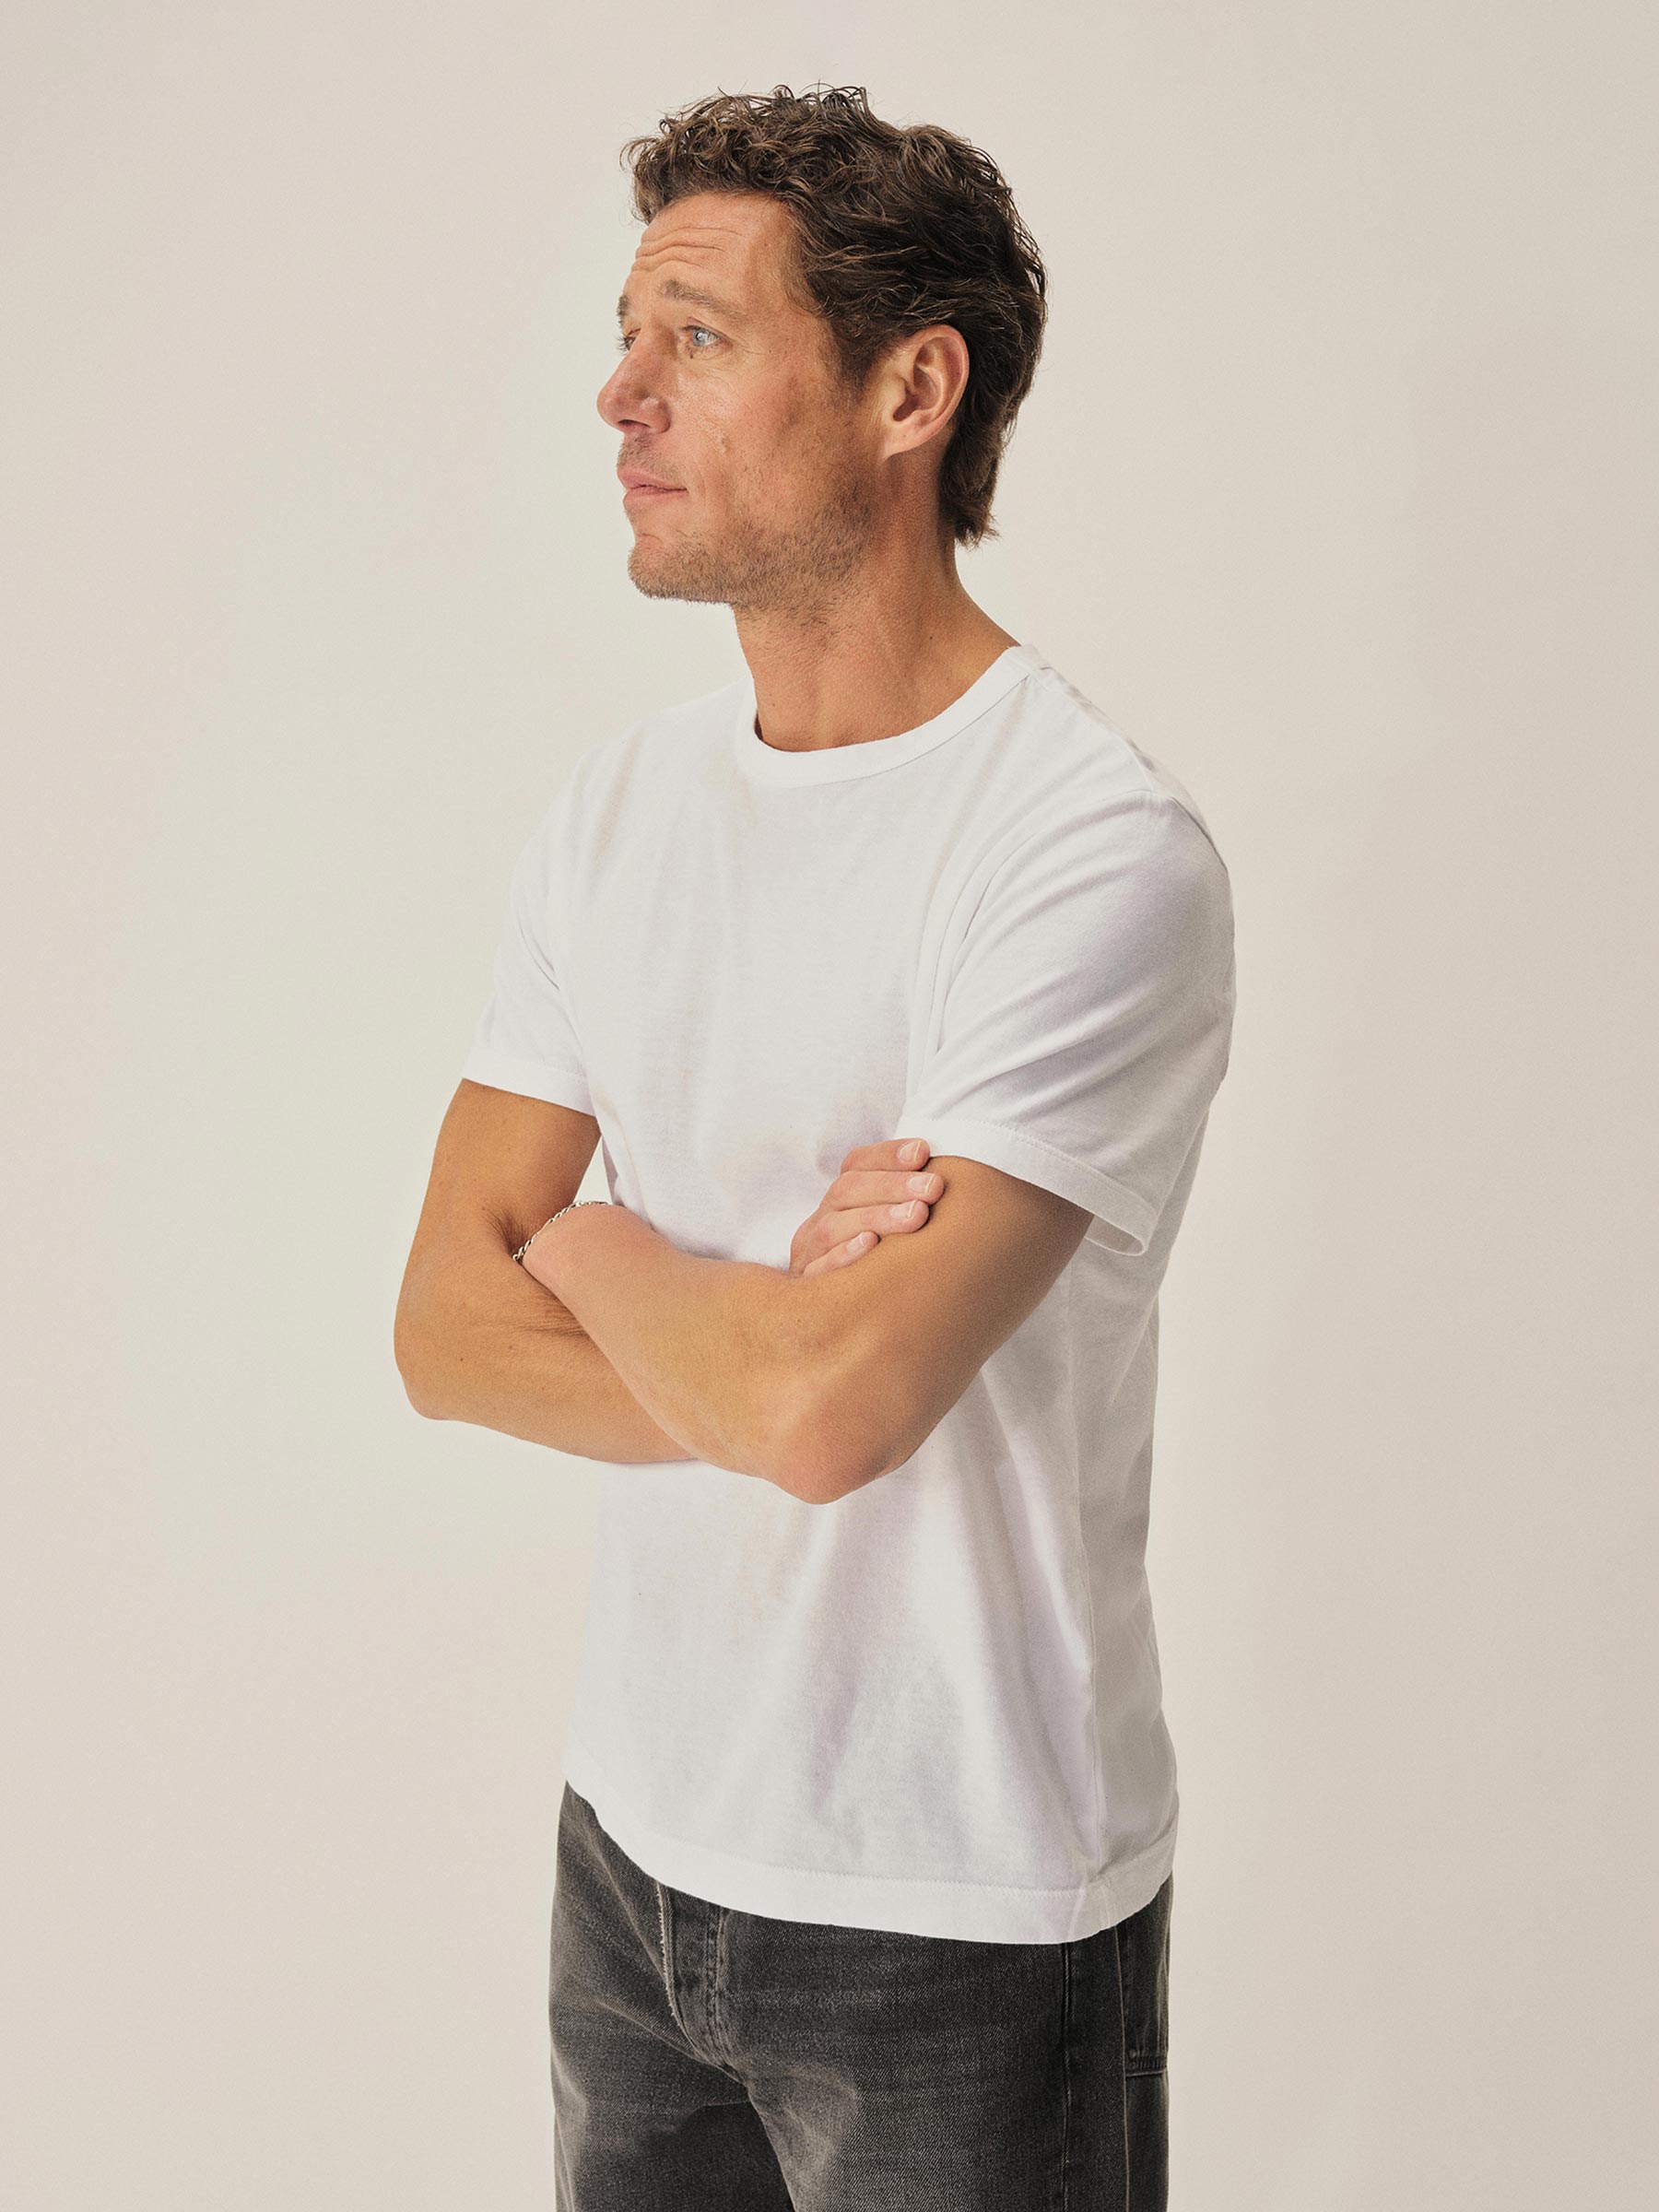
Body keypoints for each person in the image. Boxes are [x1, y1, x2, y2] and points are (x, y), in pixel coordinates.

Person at [394, 80, 1235, 2212]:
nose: (620, 395)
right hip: (633, 1850)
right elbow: (437, 1331)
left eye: (694, 335)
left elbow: (830, 1409)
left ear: (907, 392)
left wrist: (593, 1243)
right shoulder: (618, 815)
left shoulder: (1085, 850)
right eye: (627, 335)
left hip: (958, 1908)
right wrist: (754, 1327)